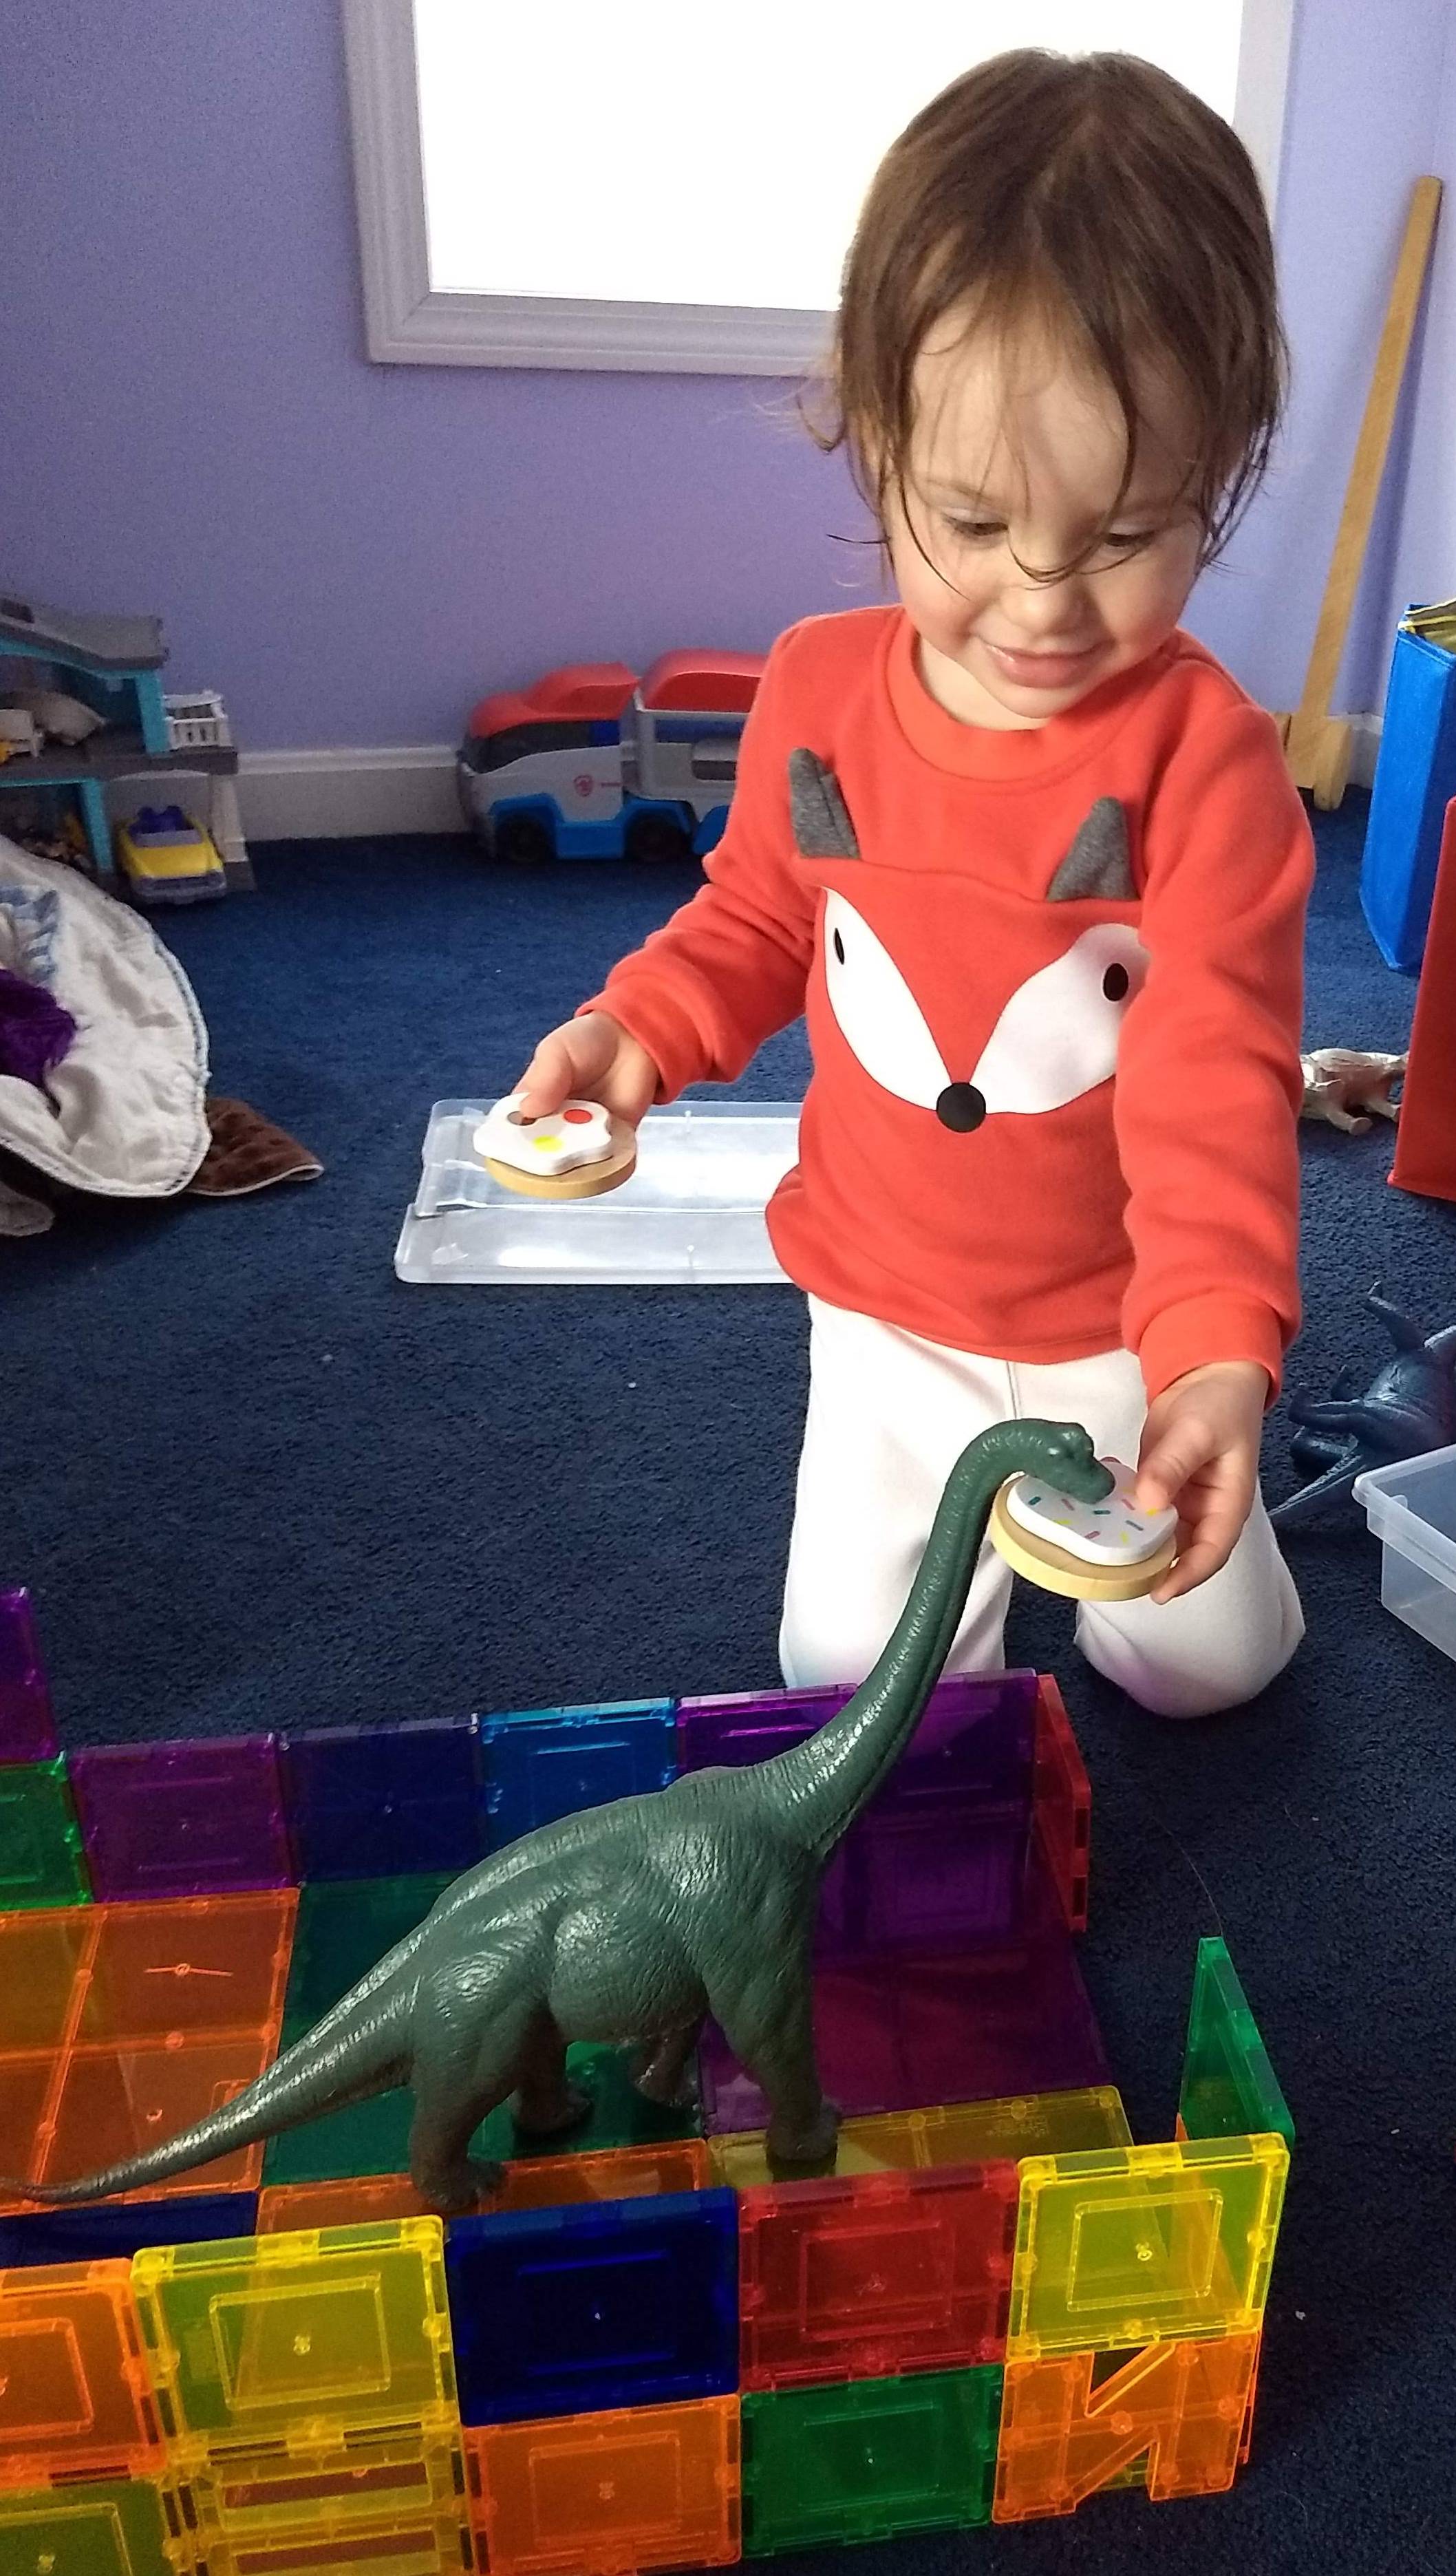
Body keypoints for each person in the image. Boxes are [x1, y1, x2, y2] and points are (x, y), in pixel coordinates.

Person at [515, 49, 1312, 1715]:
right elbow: (756, 914)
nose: (1040, 600)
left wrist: (1212, 1348)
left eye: (1122, 536)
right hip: (886, 1314)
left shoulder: (1208, 762)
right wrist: (635, 1030)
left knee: (1205, 1674)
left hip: (1115, 1323)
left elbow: (1213, 1076)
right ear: (874, 442)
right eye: (971, 520)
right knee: (842, 1686)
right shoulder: (812, 690)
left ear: (1219, 473)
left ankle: (1206, 1567)